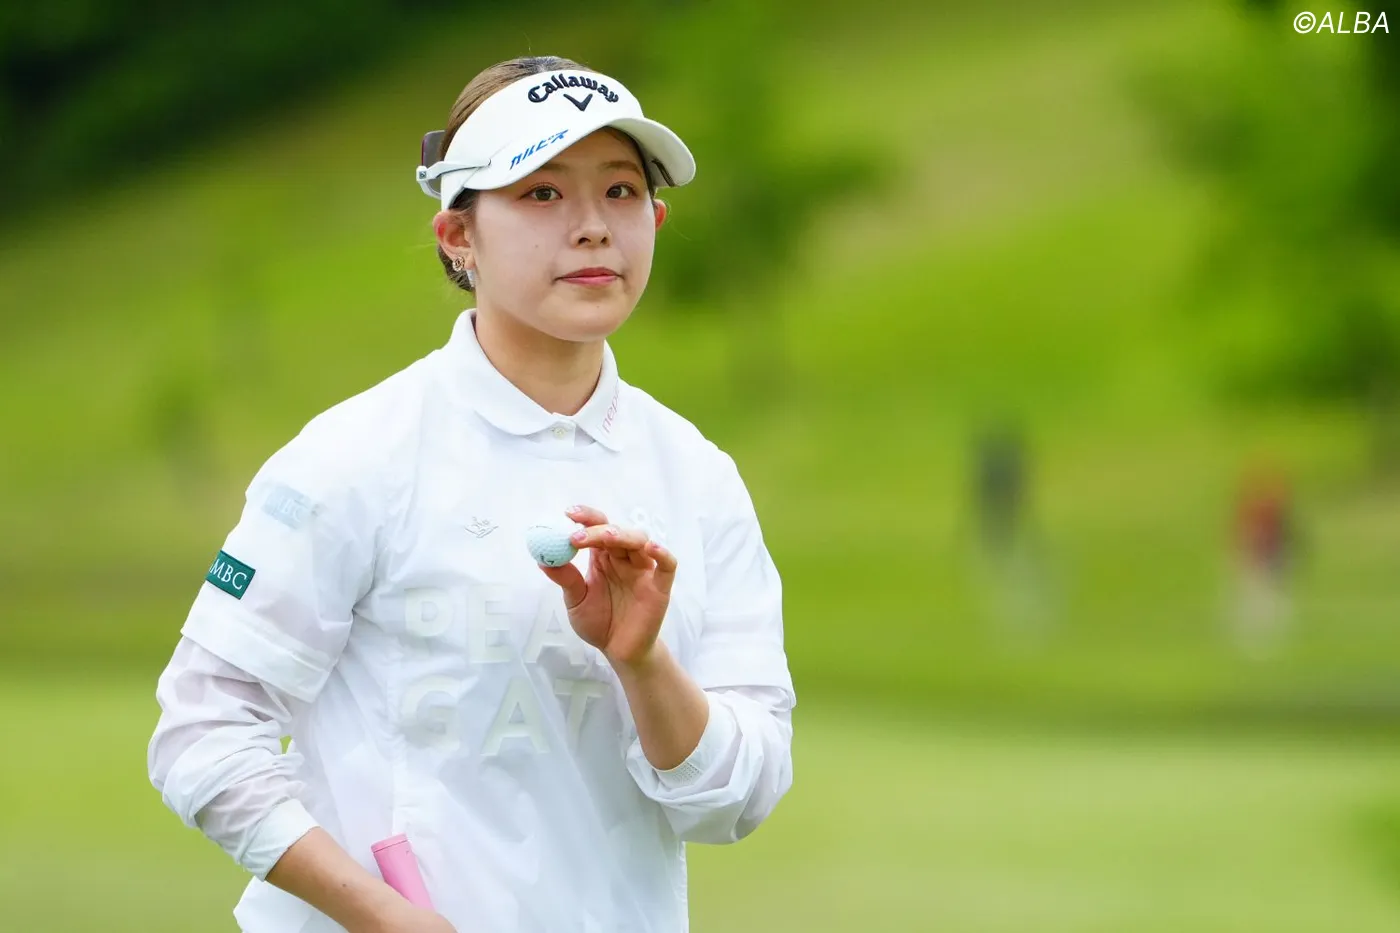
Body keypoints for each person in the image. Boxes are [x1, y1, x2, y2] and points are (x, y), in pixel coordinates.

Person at [147, 55, 795, 933]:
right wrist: (381, 916)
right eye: (541, 193)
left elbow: (737, 799)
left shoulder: (697, 476)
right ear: (458, 235)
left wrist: (644, 663)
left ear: (656, 218)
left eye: (620, 190)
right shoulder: (355, 455)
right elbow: (203, 729)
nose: (593, 228)